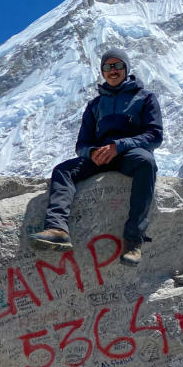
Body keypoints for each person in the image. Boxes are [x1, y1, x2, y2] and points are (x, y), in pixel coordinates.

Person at [29, 48, 163, 266]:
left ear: (126, 68)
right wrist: (91, 153)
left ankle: (133, 241)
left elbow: (154, 136)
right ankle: (57, 229)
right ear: (102, 71)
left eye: (118, 65)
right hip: (100, 156)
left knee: (146, 163)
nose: (113, 70)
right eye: (108, 67)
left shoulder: (145, 98)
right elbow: (82, 144)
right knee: (64, 170)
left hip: (130, 153)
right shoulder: (95, 105)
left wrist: (119, 146)